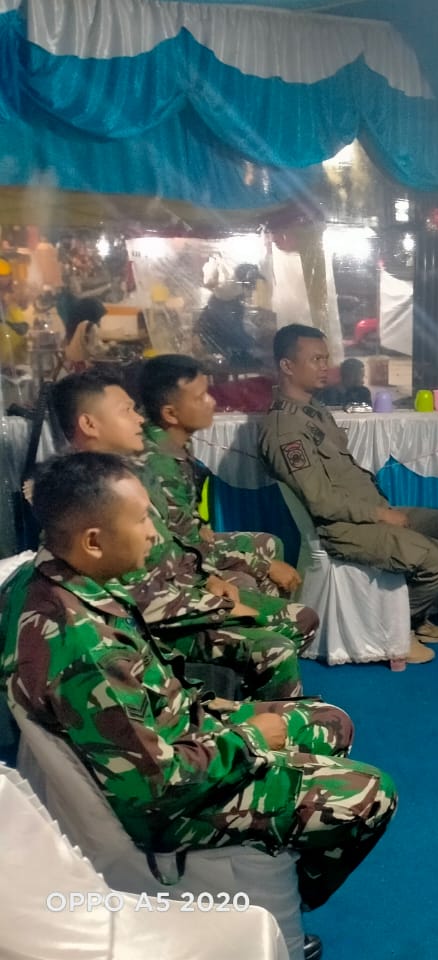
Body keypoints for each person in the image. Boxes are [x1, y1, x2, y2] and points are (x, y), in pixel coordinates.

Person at [1, 452, 396, 954]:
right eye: (141, 520)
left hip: (180, 733)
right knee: (371, 795)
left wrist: (223, 718)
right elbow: (159, 790)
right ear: (93, 541)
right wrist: (251, 737)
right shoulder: (85, 650)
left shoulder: (50, 580)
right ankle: (284, 908)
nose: (154, 533)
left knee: (330, 724)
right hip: (177, 801)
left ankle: (278, 871)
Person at [50, 370, 316, 699]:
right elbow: (130, 598)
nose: (139, 419)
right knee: (287, 634)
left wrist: (207, 577)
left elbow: (171, 545)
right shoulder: (86, 499)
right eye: (126, 411)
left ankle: (246, 706)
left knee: (294, 617)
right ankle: (260, 720)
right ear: (89, 424)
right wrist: (219, 607)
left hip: (179, 597)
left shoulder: (119, 476)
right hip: (153, 625)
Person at [259, 324, 438, 665]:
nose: (325, 366)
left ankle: (415, 616)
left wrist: (380, 510)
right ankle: (399, 631)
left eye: (326, 358)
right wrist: (381, 515)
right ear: (287, 366)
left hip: (369, 511)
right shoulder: (285, 429)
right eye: (315, 359)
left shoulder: (313, 410)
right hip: (342, 528)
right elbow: (321, 502)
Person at [138, 353, 302, 597]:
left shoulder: (174, 440)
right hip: (171, 566)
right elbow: (185, 547)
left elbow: (188, 523)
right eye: (200, 397)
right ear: (170, 413)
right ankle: (265, 616)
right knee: (261, 582)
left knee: (269, 543)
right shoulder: (159, 461)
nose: (211, 402)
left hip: (187, 544)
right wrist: (263, 565)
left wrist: (200, 525)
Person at [63, 296, 109, 371]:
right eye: (99, 317)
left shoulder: (73, 326)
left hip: (75, 368)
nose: (99, 321)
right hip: (88, 369)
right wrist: (109, 347)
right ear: (94, 313)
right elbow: (96, 350)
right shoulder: (89, 325)